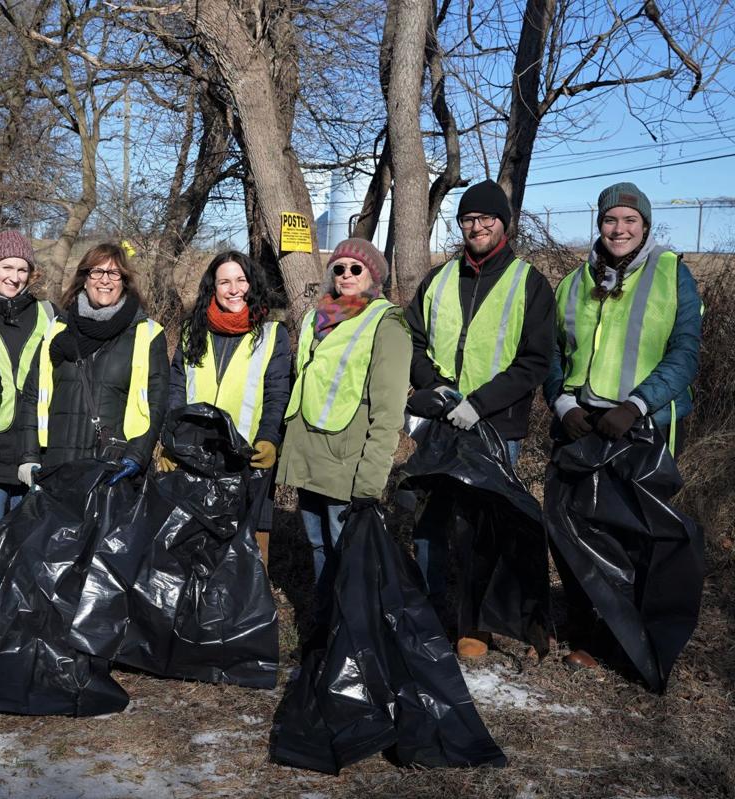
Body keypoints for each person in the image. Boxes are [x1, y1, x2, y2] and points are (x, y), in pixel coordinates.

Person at [544, 181, 703, 670]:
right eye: (611, 220)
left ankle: (623, 637)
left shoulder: (673, 274)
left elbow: (685, 353)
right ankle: (584, 629)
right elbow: (552, 353)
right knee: (570, 528)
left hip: (640, 427)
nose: (619, 229)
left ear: (645, 227)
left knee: (631, 537)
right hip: (580, 424)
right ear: (600, 224)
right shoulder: (573, 282)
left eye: (630, 221)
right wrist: (562, 403)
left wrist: (635, 405)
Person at [405, 179, 555, 659]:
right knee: (430, 523)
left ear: (504, 225)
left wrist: (480, 403)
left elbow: (535, 361)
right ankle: (428, 608)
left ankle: (473, 626)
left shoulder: (527, 282)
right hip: (441, 420)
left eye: (487, 218)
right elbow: (410, 338)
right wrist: (434, 388)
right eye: (469, 219)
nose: (478, 225)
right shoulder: (439, 278)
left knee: (480, 529)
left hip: (494, 427)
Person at [277, 238, 410, 582]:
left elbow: (388, 414)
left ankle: (351, 631)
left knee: (347, 553)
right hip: (308, 457)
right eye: (339, 268)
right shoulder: (315, 318)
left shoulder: (386, 324)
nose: (346, 275)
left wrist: (370, 480)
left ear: (374, 276)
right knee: (318, 546)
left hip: (346, 467)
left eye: (356, 268)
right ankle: (325, 627)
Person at [166, 250, 290, 565]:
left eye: (241, 280)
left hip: (246, 459)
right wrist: (169, 442)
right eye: (224, 282)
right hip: (195, 458)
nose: (233, 289)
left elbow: (277, 393)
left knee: (244, 555)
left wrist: (269, 438)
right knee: (194, 550)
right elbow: (176, 390)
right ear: (213, 287)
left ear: (252, 284)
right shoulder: (191, 332)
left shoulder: (272, 334)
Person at [16, 242, 168, 486]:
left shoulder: (147, 333)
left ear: (123, 281)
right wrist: (28, 456)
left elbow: (158, 403)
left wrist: (137, 456)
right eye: (96, 272)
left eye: (113, 273)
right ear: (84, 279)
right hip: (57, 467)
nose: (104, 280)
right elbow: (33, 396)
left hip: (113, 470)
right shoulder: (57, 329)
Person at [0, 231, 54, 551]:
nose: (14, 278)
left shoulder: (48, 312)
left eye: (21, 269)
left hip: (33, 441)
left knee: (25, 534)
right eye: (6, 268)